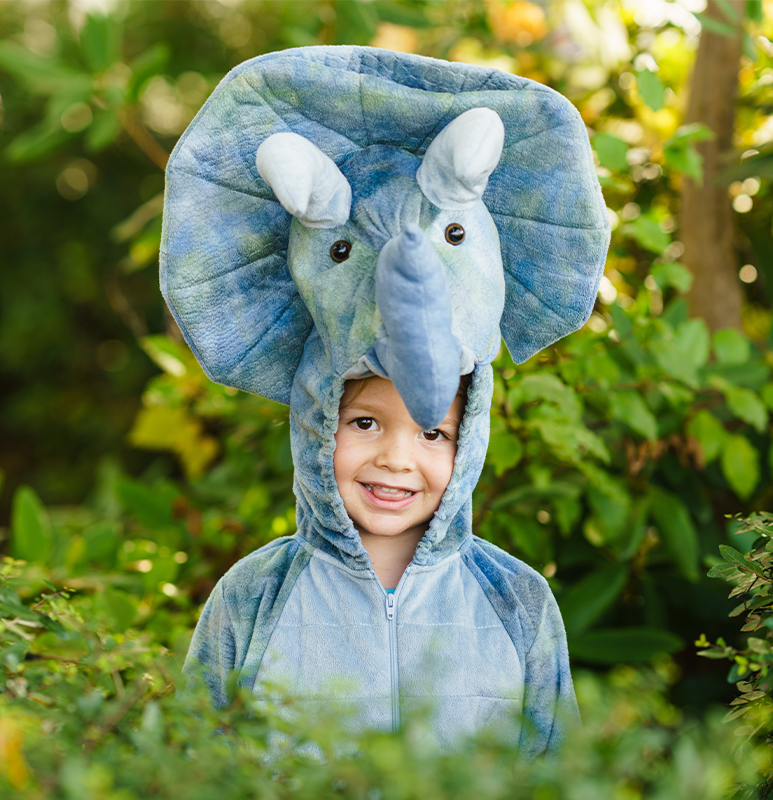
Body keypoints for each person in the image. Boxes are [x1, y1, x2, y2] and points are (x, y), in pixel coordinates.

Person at [163, 45, 610, 755]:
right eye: (365, 421)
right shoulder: (253, 597)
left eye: (433, 431)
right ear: (316, 419)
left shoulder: (517, 601)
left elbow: (556, 771)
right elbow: (188, 763)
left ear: (469, 440)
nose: (398, 459)